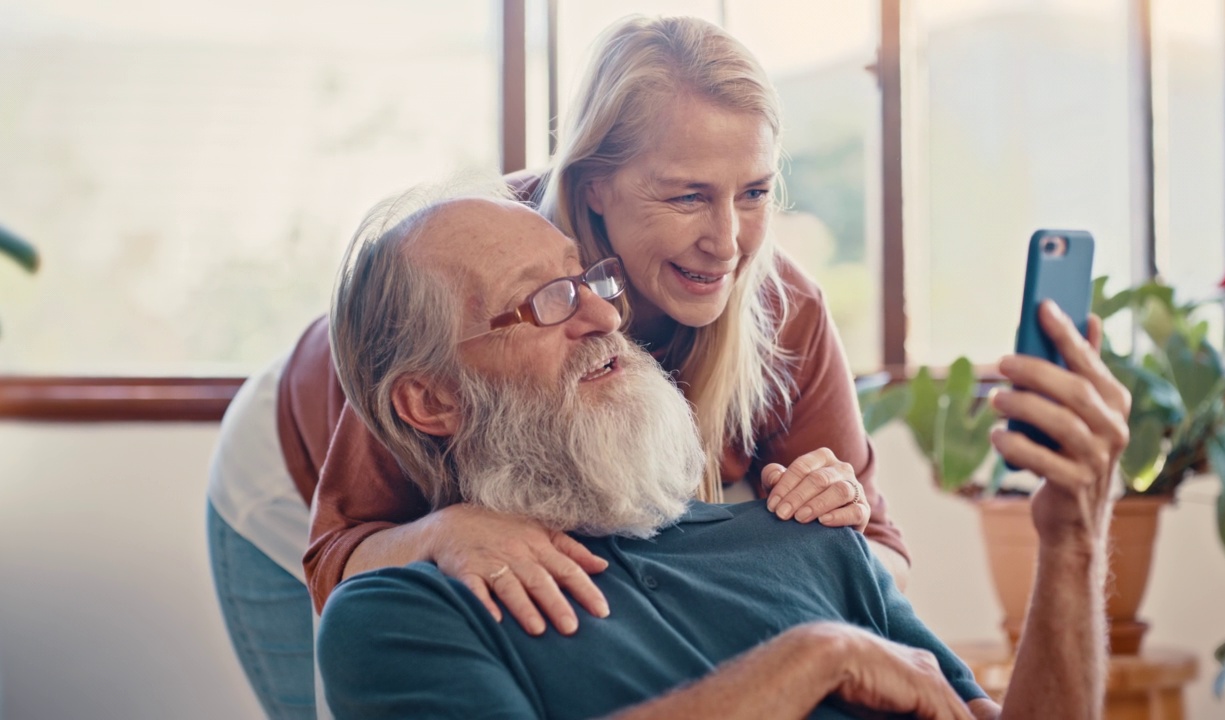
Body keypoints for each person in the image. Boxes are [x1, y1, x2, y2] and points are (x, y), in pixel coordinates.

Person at [207, 14, 907, 718]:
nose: (727, 244)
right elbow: (337, 560)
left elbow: (877, 564)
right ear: (594, 184)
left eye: (754, 192)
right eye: (687, 195)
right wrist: (440, 531)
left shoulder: (784, 312)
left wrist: (832, 517)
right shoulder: (462, 289)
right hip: (286, 476)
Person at [316, 186, 1129, 719]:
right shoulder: (402, 619)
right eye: (544, 302)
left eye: (586, 281)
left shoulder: (809, 540)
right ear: (431, 401)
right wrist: (815, 658)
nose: (603, 319)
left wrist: (1074, 538)